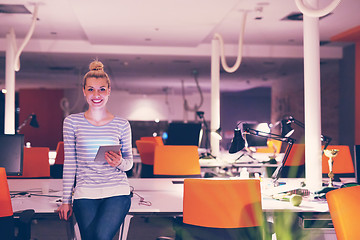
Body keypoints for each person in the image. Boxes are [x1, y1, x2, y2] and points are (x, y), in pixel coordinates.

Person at [57, 60, 133, 240]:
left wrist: (120, 162)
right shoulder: (72, 122)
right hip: (85, 191)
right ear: (84, 91)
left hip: (117, 190)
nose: (96, 94)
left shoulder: (122, 124)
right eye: (91, 89)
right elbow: (70, 163)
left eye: (101, 89)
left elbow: (129, 164)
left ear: (109, 91)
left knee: (100, 237)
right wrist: (66, 200)